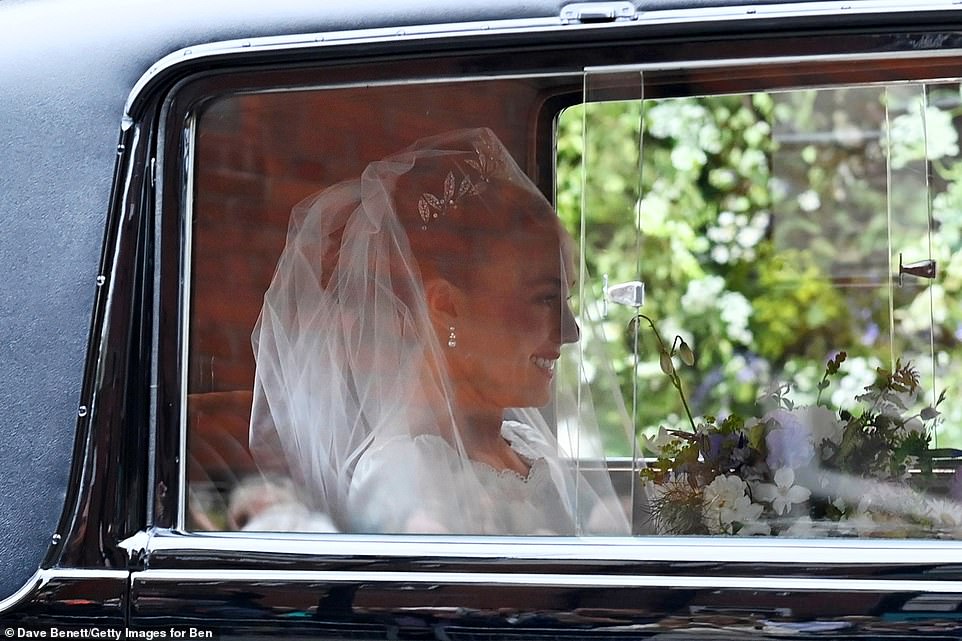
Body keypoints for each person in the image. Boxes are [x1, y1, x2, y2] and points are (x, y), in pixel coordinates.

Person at [249, 128, 629, 535]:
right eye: (545, 299)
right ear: (447, 307)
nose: (570, 332)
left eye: (567, 299)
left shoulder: (525, 447)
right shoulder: (403, 480)